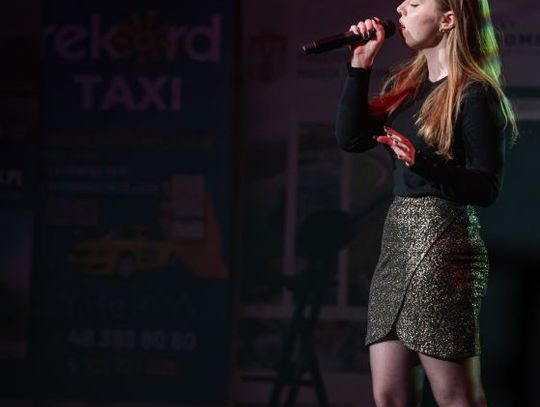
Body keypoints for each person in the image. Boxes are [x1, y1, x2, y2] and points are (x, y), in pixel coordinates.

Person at [335, 0, 518, 406]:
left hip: (442, 244)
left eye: (416, 3)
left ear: (448, 19)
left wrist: (423, 163)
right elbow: (350, 138)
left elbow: (486, 188)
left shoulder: (474, 93)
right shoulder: (409, 88)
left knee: (456, 397)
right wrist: (360, 65)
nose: (401, 8)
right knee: (389, 395)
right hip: (397, 245)